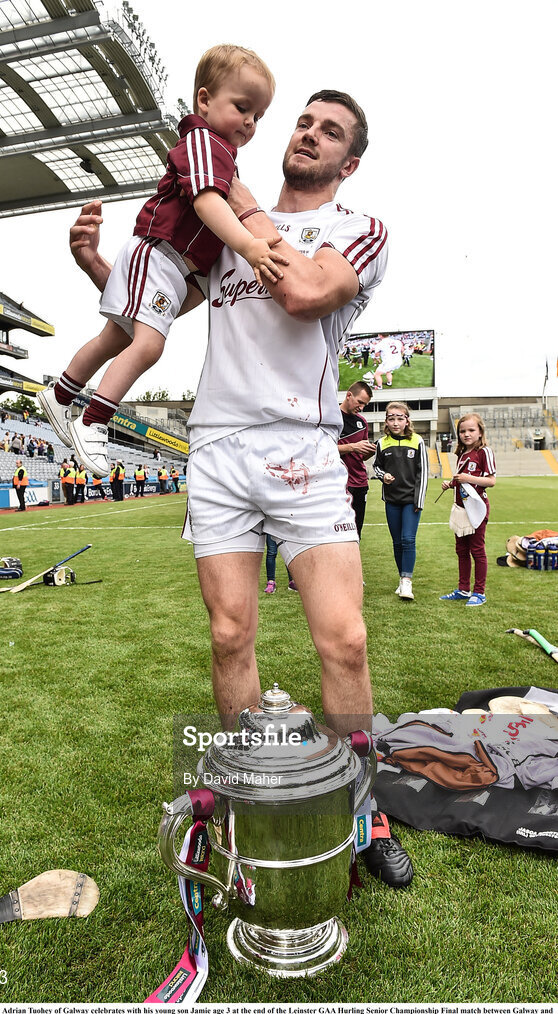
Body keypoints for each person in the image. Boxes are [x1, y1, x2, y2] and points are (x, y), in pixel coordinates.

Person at [68, 89, 414, 888]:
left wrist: (235, 196)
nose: (308, 135)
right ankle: (244, 799)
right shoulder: (222, 229)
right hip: (219, 448)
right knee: (229, 637)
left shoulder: (357, 231)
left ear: (349, 162)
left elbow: (302, 293)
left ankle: (364, 812)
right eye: (303, 121)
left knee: (346, 640)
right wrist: (99, 268)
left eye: (329, 132)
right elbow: (163, 304)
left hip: (304, 450)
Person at [37, 44, 286, 478]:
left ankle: (60, 396)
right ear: (204, 101)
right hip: (158, 252)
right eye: (243, 107)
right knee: (147, 344)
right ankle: (93, 421)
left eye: (258, 116)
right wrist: (249, 245)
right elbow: (208, 202)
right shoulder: (205, 142)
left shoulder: (220, 152)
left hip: (173, 267)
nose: (249, 122)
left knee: (117, 337)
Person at [439, 413, 496, 607]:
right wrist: (452, 484)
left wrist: (466, 478)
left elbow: (491, 481)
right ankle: (464, 589)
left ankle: (479, 592)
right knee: (461, 550)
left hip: (476, 509)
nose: (466, 434)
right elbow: (463, 482)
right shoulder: (462, 454)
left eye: (471, 430)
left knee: (477, 551)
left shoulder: (484, 451)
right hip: (460, 509)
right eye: (462, 431)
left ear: (480, 432)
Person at [372, 403, 428, 601]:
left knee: (408, 539)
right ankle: (401, 578)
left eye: (400, 418)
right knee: (397, 542)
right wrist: (383, 476)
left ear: (407, 420)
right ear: (386, 421)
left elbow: (424, 473)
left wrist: (419, 500)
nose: (396, 423)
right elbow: (376, 467)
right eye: (391, 419)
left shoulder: (417, 441)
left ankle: (407, 581)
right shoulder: (382, 443)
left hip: (411, 501)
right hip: (392, 500)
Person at [337, 381, 376, 539]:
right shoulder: (332, 418)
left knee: (356, 533)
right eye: (360, 402)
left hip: (360, 483)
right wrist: (352, 447)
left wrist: (369, 452)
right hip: (338, 484)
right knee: (337, 534)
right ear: (348, 395)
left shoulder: (362, 422)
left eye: (364, 405)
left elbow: (361, 455)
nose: (361, 407)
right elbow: (321, 450)